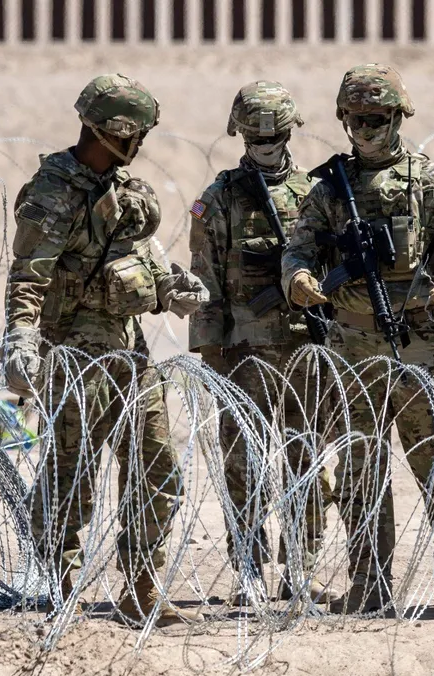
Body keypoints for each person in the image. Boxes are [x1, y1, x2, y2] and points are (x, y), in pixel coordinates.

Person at [280, 63, 434, 613]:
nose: (365, 129)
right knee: (360, 466)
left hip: (417, 339)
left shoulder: (432, 183)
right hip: (352, 345)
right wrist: (299, 278)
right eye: (356, 119)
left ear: (399, 117)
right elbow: (299, 248)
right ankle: (368, 577)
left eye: (376, 118)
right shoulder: (329, 189)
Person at [3, 74, 208, 627]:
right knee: (72, 474)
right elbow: (28, 277)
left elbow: (142, 258)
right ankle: (61, 584)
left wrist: (171, 288)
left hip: (128, 351)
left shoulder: (126, 192)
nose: (141, 143)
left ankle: (142, 585)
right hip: (72, 354)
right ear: (114, 132)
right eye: (137, 133)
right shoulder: (52, 193)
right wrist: (21, 338)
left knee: (157, 465)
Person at [188, 80, 340, 606]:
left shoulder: (317, 193)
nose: (266, 144)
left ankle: (301, 567)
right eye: (256, 136)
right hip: (244, 355)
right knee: (243, 466)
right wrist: (211, 357)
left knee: (306, 462)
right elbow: (204, 281)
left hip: (305, 350)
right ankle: (248, 568)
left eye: (274, 135)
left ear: (290, 132)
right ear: (241, 135)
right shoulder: (221, 198)